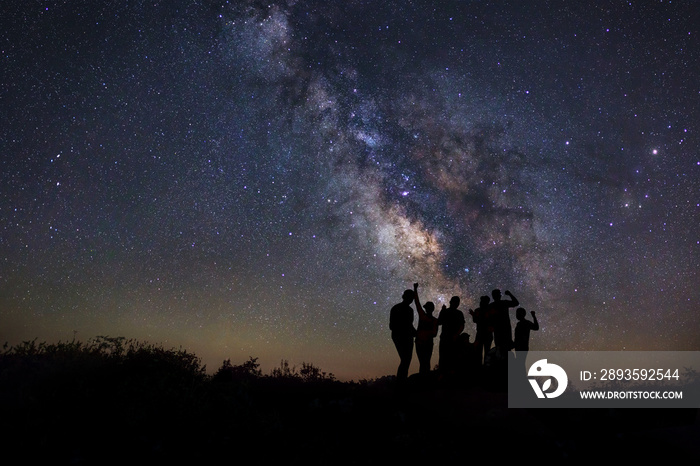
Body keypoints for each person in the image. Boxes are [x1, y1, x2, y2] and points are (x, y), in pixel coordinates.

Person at [389, 288, 417, 382]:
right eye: (410, 298)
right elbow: (392, 325)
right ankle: (401, 381)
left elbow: (409, 325)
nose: (411, 300)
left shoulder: (407, 310)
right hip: (401, 336)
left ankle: (401, 381)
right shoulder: (400, 309)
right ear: (405, 297)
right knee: (406, 360)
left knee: (406, 360)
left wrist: (415, 333)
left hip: (405, 336)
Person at [413, 283, 439, 375]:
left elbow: (417, 303)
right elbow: (417, 302)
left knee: (424, 362)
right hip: (423, 342)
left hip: (423, 342)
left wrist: (415, 289)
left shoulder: (424, 316)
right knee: (425, 362)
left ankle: (424, 380)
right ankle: (425, 380)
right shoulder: (433, 320)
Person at [437, 296, 465, 376]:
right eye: (455, 302)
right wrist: (442, 311)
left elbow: (439, 322)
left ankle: (446, 377)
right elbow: (439, 322)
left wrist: (456, 335)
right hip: (448, 339)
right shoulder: (456, 313)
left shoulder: (458, 313)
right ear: (451, 302)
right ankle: (445, 377)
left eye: (457, 302)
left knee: (449, 359)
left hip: (450, 339)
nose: (456, 304)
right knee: (446, 359)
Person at [488, 289, 519, 354]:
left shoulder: (491, 306)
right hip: (504, 330)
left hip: (499, 330)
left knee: (501, 349)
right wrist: (510, 294)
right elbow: (516, 303)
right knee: (505, 349)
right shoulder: (504, 303)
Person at [468, 295, 492, 365]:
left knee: (484, 352)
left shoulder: (482, 310)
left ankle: (483, 368)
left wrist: (474, 315)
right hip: (483, 334)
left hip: (483, 334)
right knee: (481, 352)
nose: (481, 303)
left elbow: (476, 320)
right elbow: (475, 320)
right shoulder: (484, 310)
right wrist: (474, 315)